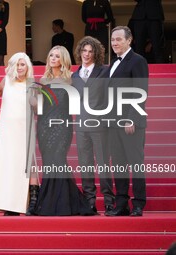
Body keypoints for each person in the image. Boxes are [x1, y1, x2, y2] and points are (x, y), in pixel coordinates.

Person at [33, 46, 96, 216]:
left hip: (62, 126)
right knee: (49, 163)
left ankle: (60, 204)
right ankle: (55, 203)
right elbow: (39, 107)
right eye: (51, 55)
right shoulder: (43, 80)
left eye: (57, 56)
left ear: (63, 60)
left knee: (58, 161)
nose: (53, 58)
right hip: (44, 126)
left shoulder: (71, 80)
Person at [106, 26, 149, 217]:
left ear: (129, 40)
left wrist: (131, 119)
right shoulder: (114, 63)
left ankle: (138, 204)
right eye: (113, 40)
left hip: (131, 122)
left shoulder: (138, 60)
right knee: (119, 164)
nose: (114, 43)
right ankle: (121, 203)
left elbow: (141, 91)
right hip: (113, 123)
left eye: (119, 39)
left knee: (135, 162)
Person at [0, 52, 39, 216]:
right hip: (7, 129)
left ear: (28, 67)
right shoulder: (7, 81)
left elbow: (39, 109)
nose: (19, 67)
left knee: (27, 165)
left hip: (24, 129)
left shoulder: (32, 84)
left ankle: (32, 202)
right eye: (17, 64)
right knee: (9, 164)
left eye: (22, 64)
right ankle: (9, 204)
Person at [72, 36, 114, 215]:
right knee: (85, 163)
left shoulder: (104, 72)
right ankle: (90, 200)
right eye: (84, 51)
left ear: (96, 54)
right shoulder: (75, 75)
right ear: (79, 52)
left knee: (103, 163)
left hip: (100, 125)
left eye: (90, 51)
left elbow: (110, 97)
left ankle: (109, 200)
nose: (87, 54)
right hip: (81, 126)